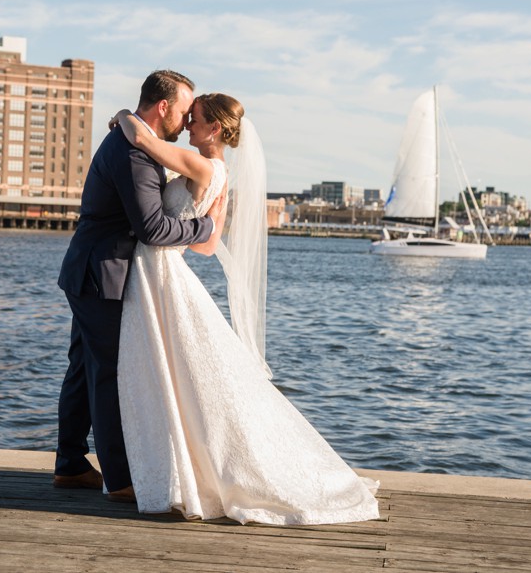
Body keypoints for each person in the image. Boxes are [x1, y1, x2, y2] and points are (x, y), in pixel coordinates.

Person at [111, 93, 380, 525]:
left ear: (214, 129)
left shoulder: (202, 165)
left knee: (167, 370)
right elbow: (207, 244)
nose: (186, 126)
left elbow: (144, 143)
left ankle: (177, 473)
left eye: (194, 120)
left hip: (158, 271)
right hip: (165, 271)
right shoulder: (221, 173)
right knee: (178, 373)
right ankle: (176, 470)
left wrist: (124, 113)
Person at [53, 71, 225, 502]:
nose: (187, 122)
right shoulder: (134, 152)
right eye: (184, 111)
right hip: (103, 275)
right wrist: (205, 226)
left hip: (93, 270)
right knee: (107, 373)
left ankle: (71, 465)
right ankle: (123, 480)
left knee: (82, 368)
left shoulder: (137, 142)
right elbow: (150, 227)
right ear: (164, 107)